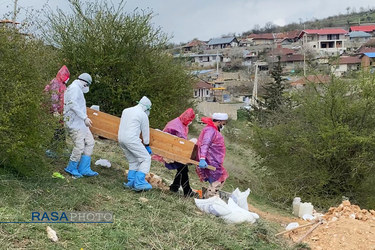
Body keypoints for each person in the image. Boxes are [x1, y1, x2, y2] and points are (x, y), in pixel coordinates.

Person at [63, 73, 98, 178]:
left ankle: (84, 168)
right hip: (75, 123)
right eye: (87, 85)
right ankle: (71, 167)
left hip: (81, 123)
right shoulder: (74, 88)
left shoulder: (77, 88)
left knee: (90, 142)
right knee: (79, 146)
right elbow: (72, 104)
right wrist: (84, 117)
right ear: (85, 83)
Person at [118, 96, 153, 192]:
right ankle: (139, 183)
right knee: (146, 158)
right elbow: (145, 133)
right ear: (147, 108)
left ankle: (131, 182)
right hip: (131, 139)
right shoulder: (143, 115)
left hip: (121, 138)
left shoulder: (126, 110)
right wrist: (147, 145)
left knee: (133, 160)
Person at [162, 108, 197, 197]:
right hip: (172, 149)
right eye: (190, 120)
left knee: (182, 168)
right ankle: (187, 191)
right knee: (183, 168)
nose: (190, 122)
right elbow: (180, 140)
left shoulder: (179, 122)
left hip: (174, 148)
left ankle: (175, 186)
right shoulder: (176, 126)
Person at [196, 113, 229, 198]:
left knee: (217, 180)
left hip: (214, 160)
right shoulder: (210, 130)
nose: (223, 125)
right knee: (217, 180)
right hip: (210, 160)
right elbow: (205, 144)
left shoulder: (213, 130)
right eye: (223, 123)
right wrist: (202, 158)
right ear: (219, 122)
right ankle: (209, 199)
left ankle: (207, 196)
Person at [44, 65, 70, 156]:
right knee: (56, 129)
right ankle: (53, 148)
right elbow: (54, 97)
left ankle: (60, 147)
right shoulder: (56, 83)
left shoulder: (62, 84)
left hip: (60, 112)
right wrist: (55, 110)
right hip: (54, 112)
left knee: (60, 129)